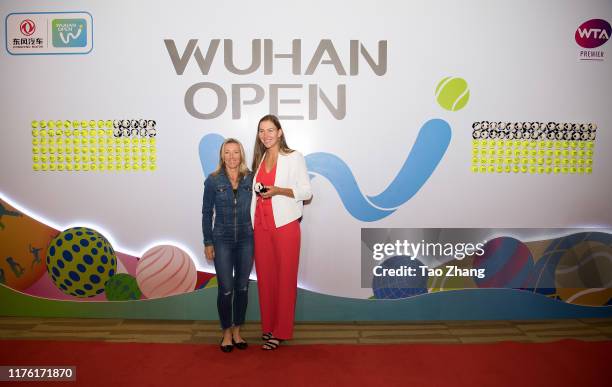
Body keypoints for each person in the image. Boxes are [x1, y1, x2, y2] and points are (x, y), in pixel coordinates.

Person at [251, 114, 312, 350]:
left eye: (270, 130)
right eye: (261, 131)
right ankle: (268, 327)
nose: (265, 135)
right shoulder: (260, 158)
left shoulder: (294, 157)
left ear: (279, 132)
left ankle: (281, 331)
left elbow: (306, 192)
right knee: (265, 280)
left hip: (285, 226)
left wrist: (278, 190)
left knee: (285, 280)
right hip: (261, 227)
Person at [202, 138, 254, 353]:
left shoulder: (250, 178)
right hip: (221, 238)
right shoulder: (213, 180)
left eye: (236, 152)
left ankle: (237, 331)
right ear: (222, 156)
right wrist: (208, 241)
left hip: (246, 238)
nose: (232, 157)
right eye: (227, 152)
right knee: (226, 289)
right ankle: (225, 332)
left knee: (242, 287)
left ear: (241, 155)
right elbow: (206, 213)